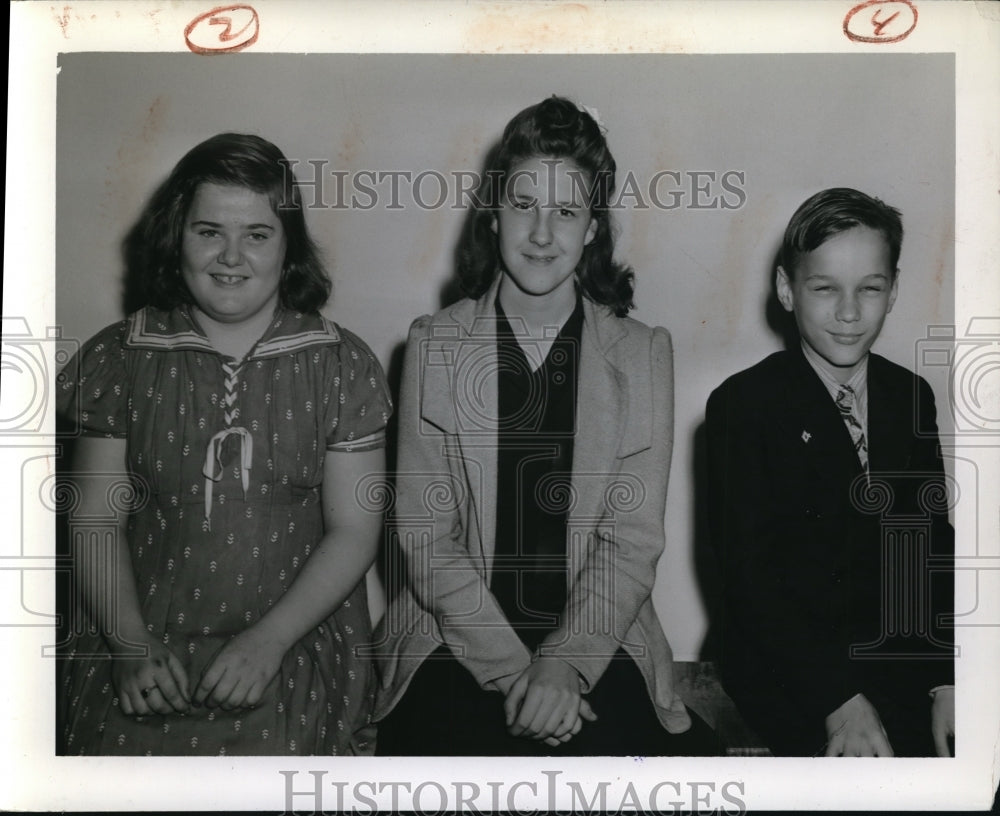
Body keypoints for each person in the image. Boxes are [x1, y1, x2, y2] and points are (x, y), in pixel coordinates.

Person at [374, 96, 716, 756]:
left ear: (592, 228)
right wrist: (515, 674)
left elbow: (632, 538)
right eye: (524, 204)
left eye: (566, 211)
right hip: (456, 638)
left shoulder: (643, 353)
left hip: (597, 639)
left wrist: (562, 664)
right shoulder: (434, 344)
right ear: (494, 211)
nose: (541, 233)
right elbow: (424, 534)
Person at [56, 133, 391, 755]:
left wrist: (268, 643)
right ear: (175, 236)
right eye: (208, 231)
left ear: (287, 247)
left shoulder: (341, 364)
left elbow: (354, 531)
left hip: (294, 644)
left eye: (257, 235)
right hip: (142, 643)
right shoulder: (121, 356)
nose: (231, 256)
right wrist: (129, 645)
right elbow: (96, 518)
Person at [706, 188, 955, 757]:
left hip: (896, 653)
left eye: (870, 288)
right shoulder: (743, 406)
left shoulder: (909, 396)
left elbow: (931, 547)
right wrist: (839, 701)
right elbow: (751, 580)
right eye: (825, 289)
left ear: (893, 291)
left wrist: (946, 678)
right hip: (788, 662)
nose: (849, 312)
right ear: (786, 290)